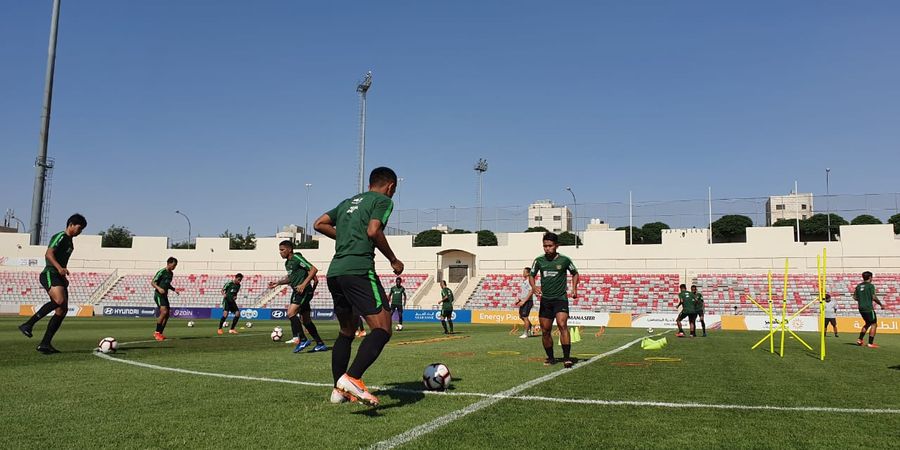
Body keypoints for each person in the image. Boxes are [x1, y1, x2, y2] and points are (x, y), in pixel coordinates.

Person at [314, 166, 403, 407]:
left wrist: (344, 236)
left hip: (335, 273)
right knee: (383, 328)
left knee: (346, 331)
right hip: (359, 270)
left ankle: (338, 390)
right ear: (391, 186)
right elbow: (374, 230)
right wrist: (393, 260)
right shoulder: (382, 201)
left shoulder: (347, 203)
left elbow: (319, 224)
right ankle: (352, 378)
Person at [18, 213, 87, 354]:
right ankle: (28, 324)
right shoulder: (60, 236)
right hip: (50, 273)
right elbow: (49, 254)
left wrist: (63, 275)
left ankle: (45, 344)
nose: (80, 232)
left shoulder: (70, 242)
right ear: (71, 225)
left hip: (58, 276)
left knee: (62, 310)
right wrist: (59, 268)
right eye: (79, 228)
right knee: (59, 300)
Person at [529, 232, 579, 368]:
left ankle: (567, 358)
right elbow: (531, 275)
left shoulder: (564, 260)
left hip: (560, 299)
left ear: (557, 246)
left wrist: (574, 289)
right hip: (546, 301)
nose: (547, 248)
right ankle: (550, 358)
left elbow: (575, 273)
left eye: (550, 246)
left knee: (562, 325)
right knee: (545, 331)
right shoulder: (539, 261)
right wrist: (534, 287)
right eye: (545, 246)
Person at [268, 240, 326, 353]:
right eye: (279, 250)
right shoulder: (287, 263)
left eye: (282, 250)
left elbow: (313, 269)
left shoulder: (297, 258)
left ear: (289, 249)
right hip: (297, 291)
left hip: (303, 291)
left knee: (291, 312)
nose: (280, 252)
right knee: (306, 320)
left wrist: (304, 284)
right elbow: (290, 278)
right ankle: (320, 344)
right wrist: (278, 283)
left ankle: (303, 340)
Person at [853, 271, 884, 348]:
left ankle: (860, 339)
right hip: (868, 308)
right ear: (870, 277)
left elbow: (854, 297)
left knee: (867, 323)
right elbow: (873, 297)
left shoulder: (858, 286)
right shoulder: (870, 286)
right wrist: (880, 304)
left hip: (861, 308)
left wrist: (862, 300)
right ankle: (870, 343)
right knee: (874, 324)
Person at [152, 257, 179, 341]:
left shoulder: (171, 273)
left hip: (164, 296)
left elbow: (167, 284)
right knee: (164, 312)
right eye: (174, 265)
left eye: (175, 265)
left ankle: (160, 333)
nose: (174, 267)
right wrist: (159, 288)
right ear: (169, 263)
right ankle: (156, 333)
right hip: (158, 295)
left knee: (167, 315)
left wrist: (174, 289)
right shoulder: (161, 272)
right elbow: (153, 282)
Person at [513, 267, 534, 338]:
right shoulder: (524, 281)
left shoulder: (530, 281)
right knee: (521, 316)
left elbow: (531, 291)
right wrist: (519, 300)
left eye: (524, 272)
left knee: (525, 317)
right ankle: (531, 326)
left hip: (527, 301)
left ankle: (526, 333)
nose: (523, 273)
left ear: (528, 273)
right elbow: (523, 292)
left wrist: (524, 301)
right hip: (523, 301)